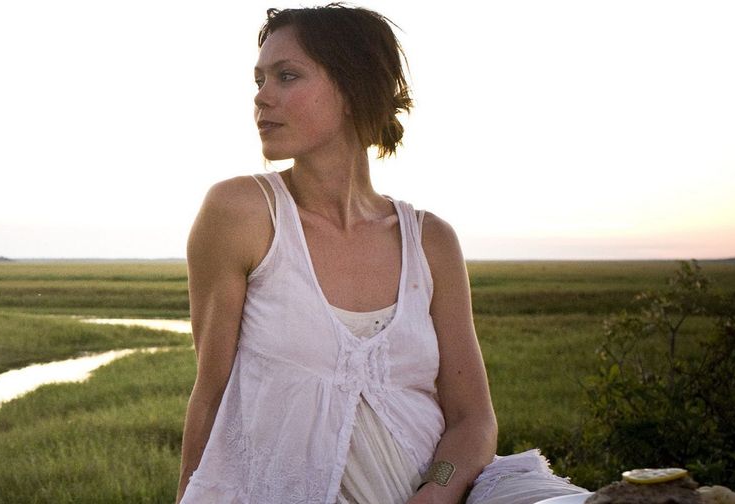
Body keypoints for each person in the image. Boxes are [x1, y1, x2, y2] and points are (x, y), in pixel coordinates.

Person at [176, 5, 588, 504]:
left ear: (354, 90)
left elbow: (472, 419)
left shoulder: (430, 240)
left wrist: (433, 496)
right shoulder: (242, 212)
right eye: (259, 78)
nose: (261, 96)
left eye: (287, 76)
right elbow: (211, 394)